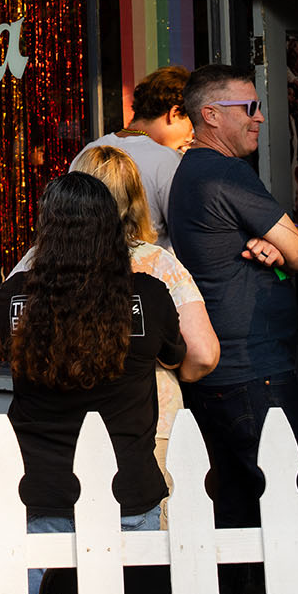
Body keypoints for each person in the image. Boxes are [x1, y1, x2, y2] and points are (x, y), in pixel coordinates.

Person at [0, 172, 185, 594]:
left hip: (41, 489)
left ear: (48, 230)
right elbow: (182, 357)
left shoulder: (18, 297)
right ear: (111, 230)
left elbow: (11, 353)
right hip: (128, 490)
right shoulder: (147, 296)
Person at [165, 64, 298, 594]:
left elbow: (286, 254)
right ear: (211, 115)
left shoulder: (190, 175)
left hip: (220, 371)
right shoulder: (225, 172)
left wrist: (274, 251)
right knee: (286, 515)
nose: (260, 117)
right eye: (249, 107)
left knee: (232, 513)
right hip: (251, 370)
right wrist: (287, 249)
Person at [69, 142, 219, 481]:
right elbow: (205, 354)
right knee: (150, 529)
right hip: (151, 422)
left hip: (65, 421)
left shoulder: (43, 258)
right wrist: (168, 368)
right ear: (136, 199)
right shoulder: (157, 264)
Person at [76, 65, 192, 248]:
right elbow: (188, 234)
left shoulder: (88, 151)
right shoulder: (166, 159)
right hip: (150, 272)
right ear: (174, 113)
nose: (190, 136)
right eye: (190, 123)